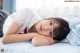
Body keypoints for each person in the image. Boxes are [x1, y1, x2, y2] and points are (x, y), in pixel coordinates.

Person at [2, 8, 70, 46]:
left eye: (50, 33)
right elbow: (5, 39)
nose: (45, 28)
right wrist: (34, 34)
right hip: (2, 18)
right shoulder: (27, 13)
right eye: (50, 23)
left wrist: (55, 41)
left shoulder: (41, 35)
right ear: (49, 17)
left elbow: (35, 42)